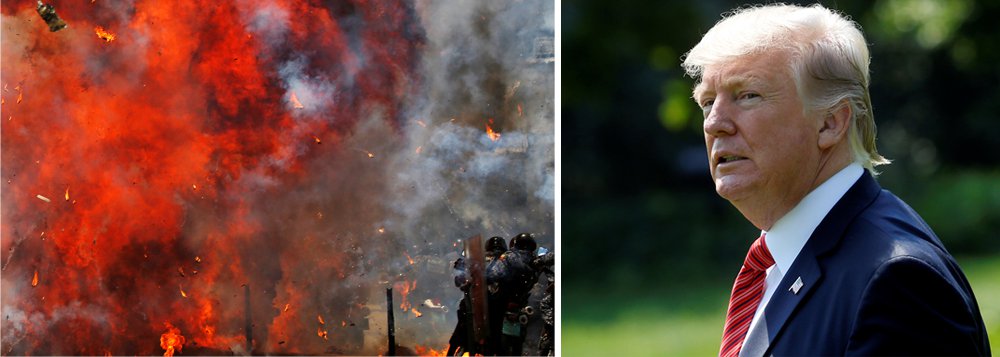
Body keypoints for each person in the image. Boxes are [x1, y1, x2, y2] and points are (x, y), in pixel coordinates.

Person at [681, 4, 990, 356]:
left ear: (831, 123)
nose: (714, 123)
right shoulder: (784, 261)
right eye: (708, 102)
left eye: (748, 95)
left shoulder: (897, 281)